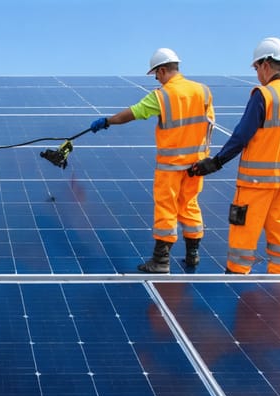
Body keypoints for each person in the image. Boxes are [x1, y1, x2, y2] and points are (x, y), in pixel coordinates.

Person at [189, 37, 280, 274]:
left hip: (256, 184)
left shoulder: (264, 95)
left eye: (257, 68)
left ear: (266, 64)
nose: (257, 73)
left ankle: (236, 276)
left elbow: (241, 136)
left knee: (243, 231)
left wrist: (215, 162)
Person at [90, 48, 215, 273]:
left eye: (156, 74)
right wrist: (204, 158)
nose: (157, 79)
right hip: (197, 165)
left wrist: (108, 121)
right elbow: (209, 125)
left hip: (171, 166)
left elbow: (133, 113)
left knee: (166, 208)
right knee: (190, 205)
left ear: (163, 70)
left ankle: (161, 261)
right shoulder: (203, 91)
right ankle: (192, 254)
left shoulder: (163, 95)